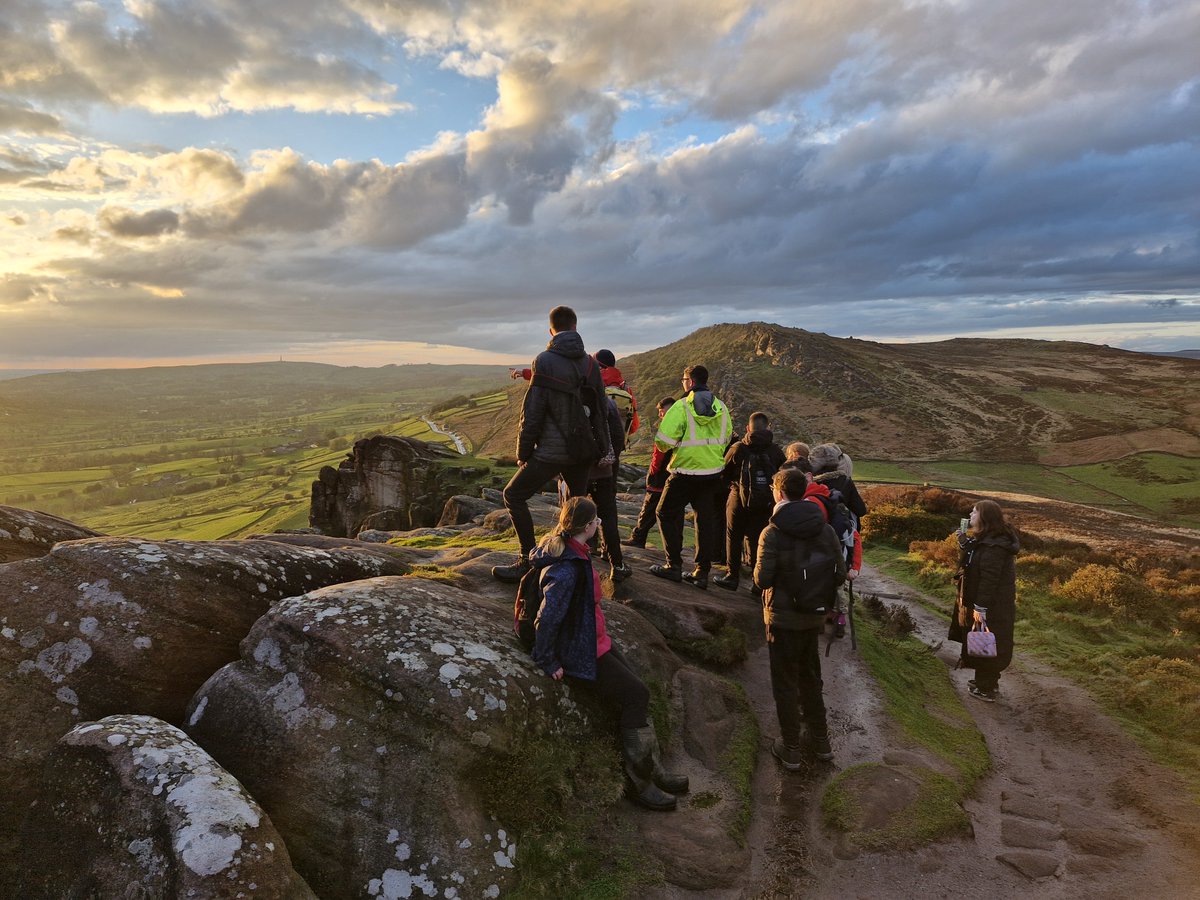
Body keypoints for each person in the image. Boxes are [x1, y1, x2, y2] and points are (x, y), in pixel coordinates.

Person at [529, 497, 688, 810]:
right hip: (579, 648)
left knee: (636, 689)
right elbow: (547, 618)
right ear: (588, 526)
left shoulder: (575, 550)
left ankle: (653, 769)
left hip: (595, 639)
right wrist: (547, 659)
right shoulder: (566, 567)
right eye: (597, 521)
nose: (600, 524)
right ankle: (639, 783)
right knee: (636, 695)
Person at [493, 306, 611, 584]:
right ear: (575, 327)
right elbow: (600, 411)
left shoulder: (544, 360)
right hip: (583, 450)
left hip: (552, 450)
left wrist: (523, 452)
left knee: (513, 495)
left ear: (551, 330)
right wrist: (602, 449)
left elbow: (532, 411)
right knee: (576, 504)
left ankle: (527, 560)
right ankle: (575, 559)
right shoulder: (591, 364)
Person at [754, 467, 846, 766]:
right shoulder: (826, 528)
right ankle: (821, 743)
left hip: (781, 619)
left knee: (784, 683)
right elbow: (840, 574)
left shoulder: (772, 532)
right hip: (814, 617)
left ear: (779, 492)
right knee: (811, 678)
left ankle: (791, 747)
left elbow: (762, 580)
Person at [649, 365, 732, 589]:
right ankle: (701, 572)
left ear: (691, 382)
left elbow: (663, 441)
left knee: (664, 512)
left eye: (683, 379)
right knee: (704, 520)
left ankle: (673, 565)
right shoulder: (721, 407)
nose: (682, 382)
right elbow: (726, 438)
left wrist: (678, 446)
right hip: (712, 473)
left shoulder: (682, 406)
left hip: (684, 472)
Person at [950, 500, 1019, 702]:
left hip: (993, 605)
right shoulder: (989, 539)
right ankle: (987, 683)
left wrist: (981, 607)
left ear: (985, 517)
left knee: (987, 644)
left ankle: (986, 688)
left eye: (974, 512)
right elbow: (976, 555)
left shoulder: (994, 546)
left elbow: (989, 579)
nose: (970, 515)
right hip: (990, 603)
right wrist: (964, 542)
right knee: (986, 642)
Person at [714, 412, 786, 592]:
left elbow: (723, 471)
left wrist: (733, 486)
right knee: (758, 540)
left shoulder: (738, 448)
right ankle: (757, 583)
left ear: (748, 428)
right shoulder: (775, 451)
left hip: (738, 497)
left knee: (733, 535)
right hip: (765, 502)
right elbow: (782, 475)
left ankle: (732, 576)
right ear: (768, 427)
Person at [587, 364, 632, 581]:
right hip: (603, 471)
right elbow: (618, 439)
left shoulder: (570, 403)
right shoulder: (608, 404)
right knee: (608, 516)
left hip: (577, 471)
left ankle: (577, 560)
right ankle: (617, 564)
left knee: (573, 515)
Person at [624, 397, 675, 548]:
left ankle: (638, 538)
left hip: (661, 476)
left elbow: (658, 454)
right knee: (669, 513)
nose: (661, 415)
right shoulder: (684, 424)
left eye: (662, 411)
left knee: (650, 507)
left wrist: (652, 473)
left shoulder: (669, 426)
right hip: (675, 474)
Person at [595, 349, 640, 436]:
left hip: (596, 440)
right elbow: (634, 425)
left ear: (598, 365)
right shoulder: (625, 387)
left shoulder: (593, 383)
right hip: (617, 440)